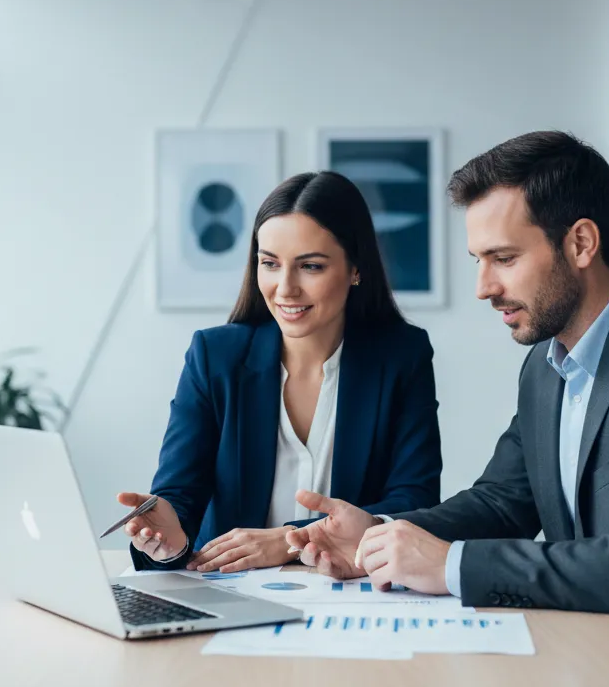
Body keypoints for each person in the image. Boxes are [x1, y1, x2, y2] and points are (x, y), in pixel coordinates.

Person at [287, 131, 609, 687]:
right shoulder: (546, 364)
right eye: (479, 260)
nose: (484, 287)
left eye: (503, 259)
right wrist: (382, 539)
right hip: (601, 659)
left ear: (580, 243)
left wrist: (452, 566)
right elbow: (504, 501)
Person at [114, 171, 443, 575]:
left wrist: (286, 540)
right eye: (269, 263)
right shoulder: (214, 355)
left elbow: (414, 503)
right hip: (228, 590)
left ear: (356, 269)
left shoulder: (401, 356)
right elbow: (179, 497)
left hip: (348, 594)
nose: (285, 288)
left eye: (310, 266)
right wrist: (168, 540)